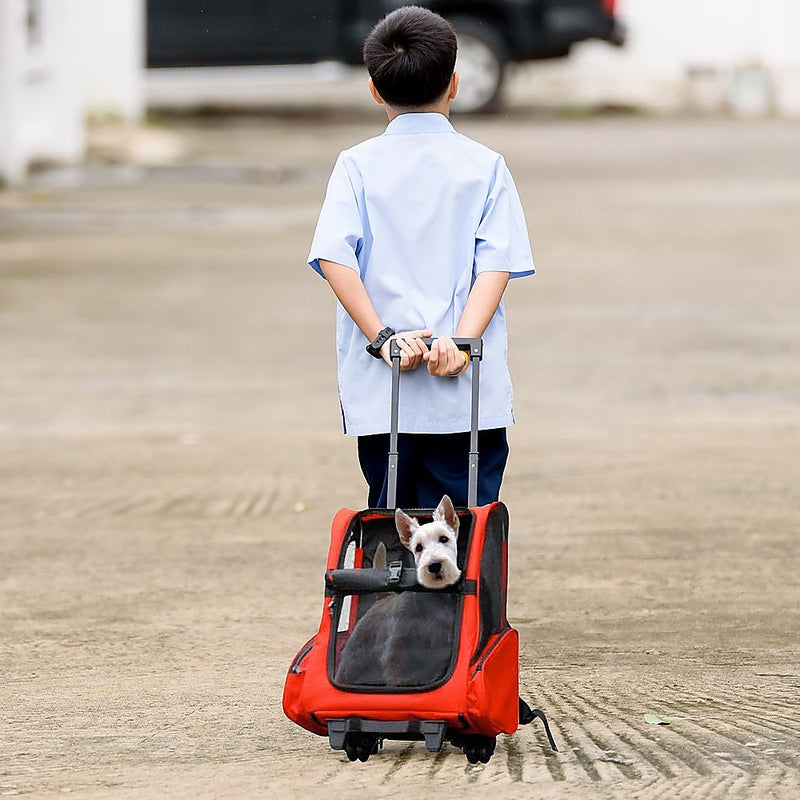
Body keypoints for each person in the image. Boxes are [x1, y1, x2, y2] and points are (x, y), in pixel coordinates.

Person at [307, 5, 534, 509]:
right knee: (464, 533)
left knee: (395, 530)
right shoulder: (485, 167)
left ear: (374, 89)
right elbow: (496, 265)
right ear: (454, 84)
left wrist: (383, 337)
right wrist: (462, 341)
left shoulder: (356, 166)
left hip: (387, 393)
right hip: (467, 394)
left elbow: (333, 258)